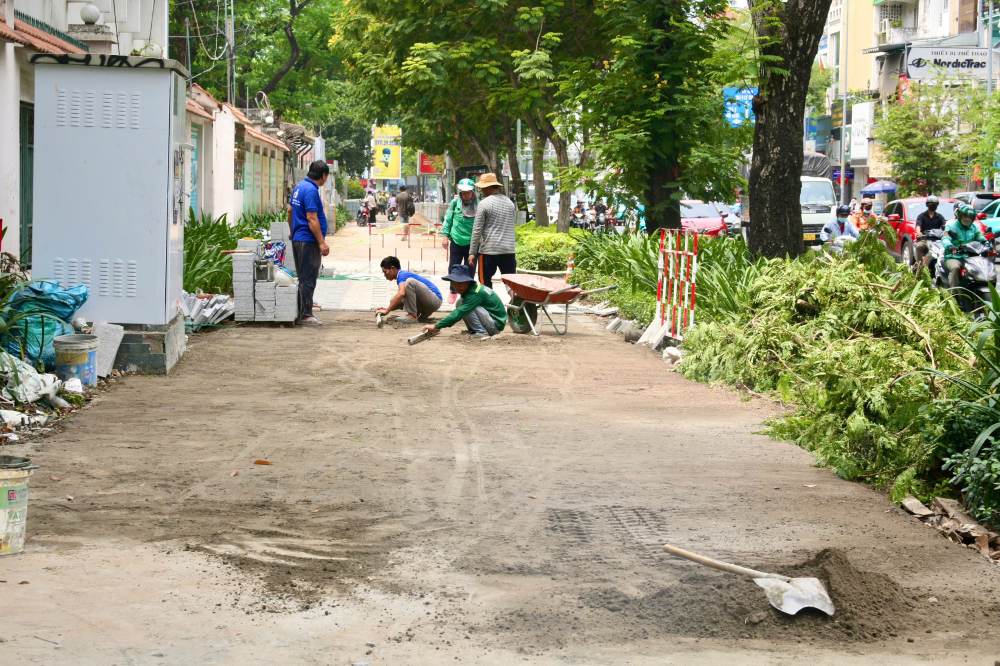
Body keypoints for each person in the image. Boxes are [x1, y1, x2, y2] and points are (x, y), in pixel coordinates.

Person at [288, 160, 331, 326]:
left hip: (299, 238)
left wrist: (292, 231)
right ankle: (305, 315)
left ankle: (302, 310)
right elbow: (312, 218)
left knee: (303, 277)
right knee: (308, 278)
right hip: (308, 240)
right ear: (323, 175)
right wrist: (321, 242)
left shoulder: (299, 187)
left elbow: (290, 211)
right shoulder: (311, 190)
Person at [422, 264, 506, 338]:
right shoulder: (473, 290)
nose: (457, 287)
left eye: (460, 283)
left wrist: (436, 326)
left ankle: (481, 332)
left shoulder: (476, 292)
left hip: (495, 326)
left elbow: (459, 313)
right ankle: (475, 331)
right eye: (454, 283)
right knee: (461, 302)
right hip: (490, 322)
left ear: (468, 282)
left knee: (466, 307)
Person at [468, 172, 516, 288]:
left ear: (488, 187)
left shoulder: (484, 204)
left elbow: (477, 230)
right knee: (511, 284)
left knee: (484, 284)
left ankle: (488, 300)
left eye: (482, 188)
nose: (481, 191)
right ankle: (515, 299)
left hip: (489, 251)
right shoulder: (510, 203)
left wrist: (472, 253)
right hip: (508, 250)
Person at [376, 256, 442, 322]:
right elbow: (399, 299)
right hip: (428, 304)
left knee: (409, 283)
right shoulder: (401, 277)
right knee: (396, 299)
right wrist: (387, 308)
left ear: (392, 268)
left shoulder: (402, 275)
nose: (384, 275)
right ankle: (419, 316)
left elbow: (401, 293)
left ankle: (412, 316)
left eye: (385, 272)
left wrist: (387, 311)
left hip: (434, 300)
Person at [942, 204, 988, 289]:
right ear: (960, 216)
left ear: (972, 218)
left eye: (970, 217)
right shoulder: (951, 226)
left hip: (970, 256)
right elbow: (945, 238)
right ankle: (953, 293)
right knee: (955, 267)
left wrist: (986, 242)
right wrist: (950, 246)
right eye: (965, 216)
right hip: (953, 256)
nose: (967, 219)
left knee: (983, 267)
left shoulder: (974, 227)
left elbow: (979, 236)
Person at [442, 178, 477, 270]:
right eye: (463, 192)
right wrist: (445, 237)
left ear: (472, 192)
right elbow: (448, 220)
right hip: (456, 241)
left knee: (469, 270)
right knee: (453, 270)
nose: (465, 195)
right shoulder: (454, 203)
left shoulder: (479, 204)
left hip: (472, 244)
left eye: (468, 192)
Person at [914, 195, 947, 270]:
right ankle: (920, 266)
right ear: (927, 205)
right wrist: (919, 233)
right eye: (931, 204)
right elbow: (918, 226)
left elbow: (945, 226)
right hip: (925, 239)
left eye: (935, 204)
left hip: (937, 241)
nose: (933, 206)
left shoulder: (940, 216)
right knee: (919, 246)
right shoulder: (921, 216)